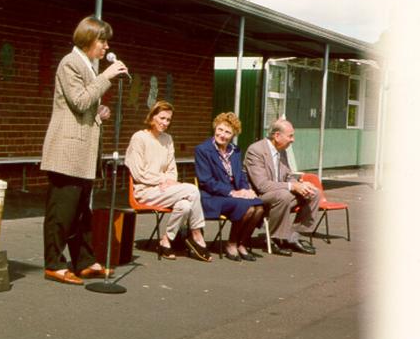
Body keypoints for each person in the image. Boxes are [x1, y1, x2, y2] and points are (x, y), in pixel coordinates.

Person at [40, 15, 129, 285]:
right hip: (67, 151)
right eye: (102, 41)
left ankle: (84, 261)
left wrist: (98, 113)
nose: (105, 47)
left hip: (83, 153)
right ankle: (54, 263)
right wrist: (106, 77)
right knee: (62, 210)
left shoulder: (88, 66)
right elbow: (79, 101)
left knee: (81, 210)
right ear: (88, 39)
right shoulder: (70, 63)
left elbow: (83, 106)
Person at [125, 100, 211, 262]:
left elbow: (172, 170)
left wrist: (169, 180)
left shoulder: (168, 139)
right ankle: (197, 234)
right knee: (192, 190)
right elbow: (138, 174)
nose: (165, 123)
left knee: (185, 206)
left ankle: (166, 240)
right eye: (162, 118)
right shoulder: (139, 138)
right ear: (152, 117)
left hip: (163, 190)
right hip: (145, 191)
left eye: (168, 120)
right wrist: (163, 179)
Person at [244, 119, 320, 256]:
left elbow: (287, 175)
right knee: (283, 196)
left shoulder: (282, 151)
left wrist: (301, 185)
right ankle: (275, 239)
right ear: (277, 136)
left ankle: (293, 236)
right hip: (261, 196)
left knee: (313, 192)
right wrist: (292, 186)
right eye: (290, 136)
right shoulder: (255, 150)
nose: (293, 140)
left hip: (281, 193)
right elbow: (262, 186)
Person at [195, 112, 265, 262]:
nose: (222, 134)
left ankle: (242, 244)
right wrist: (233, 192)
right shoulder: (202, 150)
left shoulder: (235, 150)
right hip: (211, 196)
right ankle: (231, 243)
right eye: (220, 129)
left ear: (233, 134)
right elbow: (206, 181)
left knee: (259, 207)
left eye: (227, 132)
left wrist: (246, 190)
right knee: (248, 208)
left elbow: (240, 175)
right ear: (215, 128)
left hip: (233, 195)